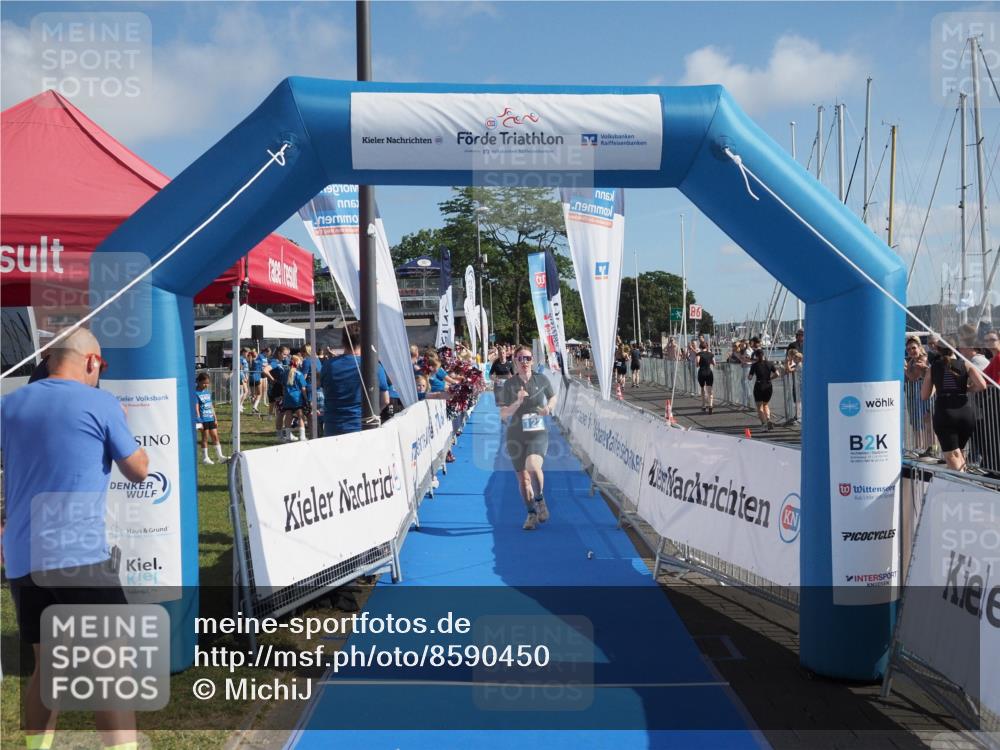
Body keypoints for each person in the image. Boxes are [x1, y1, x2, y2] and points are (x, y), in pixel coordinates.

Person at [1, 327, 148, 750]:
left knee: (47, 669)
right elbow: (138, 469)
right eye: (100, 366)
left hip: (26, 557)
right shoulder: (101, 403)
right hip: (79, 555)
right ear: (90, 362)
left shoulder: (9, 405)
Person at [497, 346, 557, 531]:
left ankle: (540, 500)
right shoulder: (509, 385)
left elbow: (553, 396)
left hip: (537, 432)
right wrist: (518, 401)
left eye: (528, 358)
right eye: (521, 359)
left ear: (532, 360)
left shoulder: (542, 379)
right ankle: (531, 513)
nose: (524, 362)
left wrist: (549, 408)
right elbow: (503, 414)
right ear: (514, 360)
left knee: (533, 466)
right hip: (516, 435)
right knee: (523, 480)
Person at [922, 336, 987, 471]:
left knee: (952, 454)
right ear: (954, 349)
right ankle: (964, 481)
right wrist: (966, 389)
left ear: (938, 349)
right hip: (965, 412)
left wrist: (936, 385)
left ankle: (963, 487)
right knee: (959, 452)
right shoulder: (966, 364)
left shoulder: (933, 368)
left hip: (945, 412)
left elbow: (924, 395)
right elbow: (982, 385)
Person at [320, 322, 390, 436]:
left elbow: (326, 392)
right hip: (362, 427)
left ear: (343, 341)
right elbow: (385, 400)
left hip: (332, 428)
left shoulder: (327, 365)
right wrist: (373, 414)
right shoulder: (374, 366)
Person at [904, 336, 936, 458]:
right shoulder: (912, 360)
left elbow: (913, 377)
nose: (911, 351)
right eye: (908, 349)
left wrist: (905, 368)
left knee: (926, 420)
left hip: (924, 391)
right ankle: (920, 447)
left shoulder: (922, 359)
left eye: (913, 348)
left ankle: (931, 447)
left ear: (919, 347)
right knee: (916, 421)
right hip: (915, 393)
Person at [195, 371, 226, 464]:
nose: (206, 385)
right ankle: (205, 458)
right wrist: (199, 420)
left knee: (215, 437)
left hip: (210, 418)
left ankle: (220, 457)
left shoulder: (207, 392)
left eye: (207, 383)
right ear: (199, 382)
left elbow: (211, 405)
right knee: (205, 438)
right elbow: (196, 408)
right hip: (203, 419)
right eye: (204, 383)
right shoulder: (195, 393)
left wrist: (215, 417)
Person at [279, 354, 309, 442]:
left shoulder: (285, 373)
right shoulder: (299, 374)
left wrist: (284, 396)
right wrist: (306, 398)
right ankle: (302, 437)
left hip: (287, 397)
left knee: (288, 416)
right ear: (297, 363)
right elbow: (303, 388)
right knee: (300, 416)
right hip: (297, 398)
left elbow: (283, 386)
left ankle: (288, 437)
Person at [747, 348, 778, 430]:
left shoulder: (754, 365)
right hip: (768, 385)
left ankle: (764, 424)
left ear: (756, 356)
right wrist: (770, 378)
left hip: (759, 385)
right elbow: (777, 374)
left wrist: (749, 375)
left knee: (759, 406)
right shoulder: (770, 364)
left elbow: (750, 377)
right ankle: (768, 419)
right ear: (763, 355)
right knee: (766, 404)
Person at [696, 340, 715, 414]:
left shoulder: (699, 354)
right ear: (706, 347)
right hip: (709, 372)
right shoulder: (711, 354)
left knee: (702, 388)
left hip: (701, 372)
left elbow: (697, 363)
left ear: (700, 347)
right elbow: (714, 363)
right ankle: (710, 405)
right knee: (710, 390)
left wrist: (699, 364)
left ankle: (703, 405)